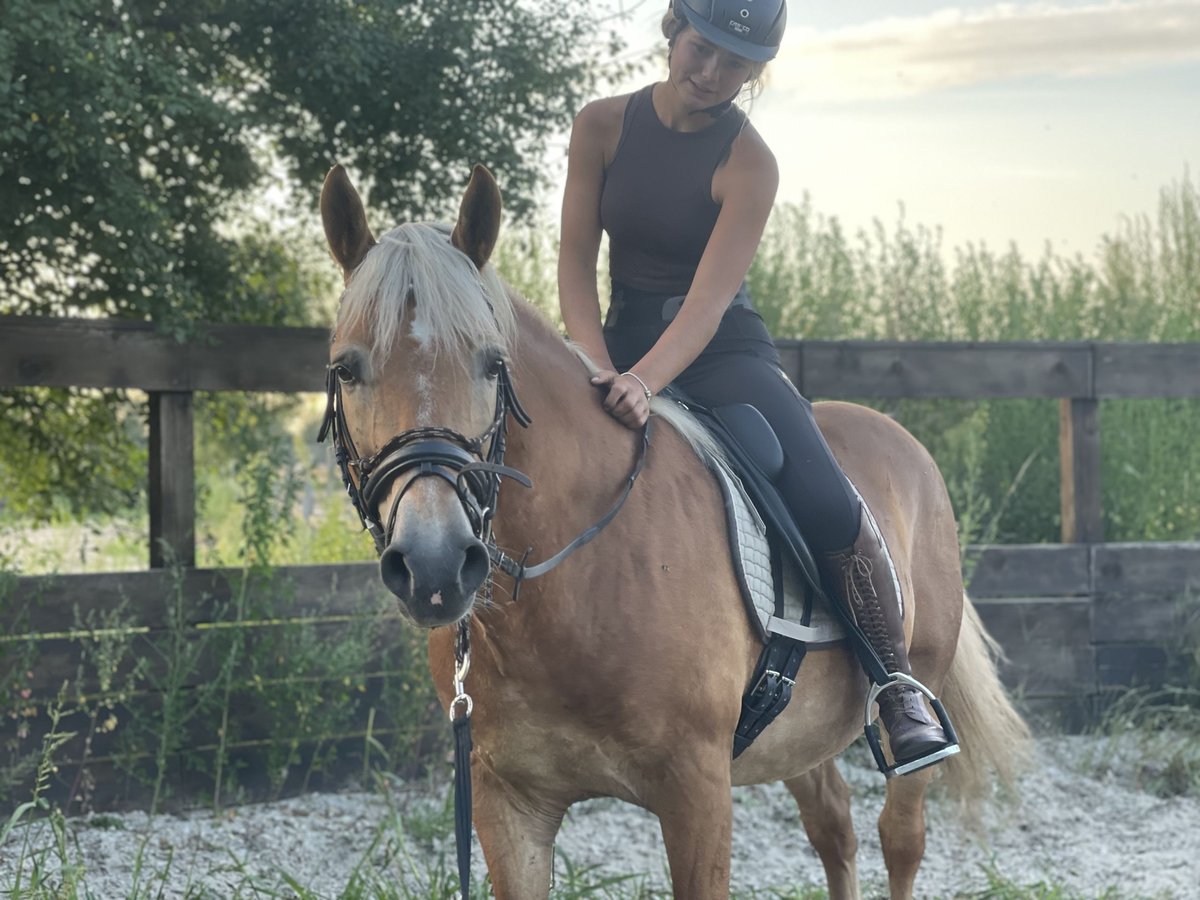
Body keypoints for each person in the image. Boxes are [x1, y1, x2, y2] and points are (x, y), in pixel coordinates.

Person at [557, 0, 955, 772]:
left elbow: (707, 304)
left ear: (756, 73)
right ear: (672, 32)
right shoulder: (600, 126)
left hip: (722, 353)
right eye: (701, 50)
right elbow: (575, 263)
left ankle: (896, 685)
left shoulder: (749, 162)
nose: (711, 75)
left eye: (736, 65)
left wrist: (648, 379)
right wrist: (598, 363)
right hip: (612, 345)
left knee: (822, 492)